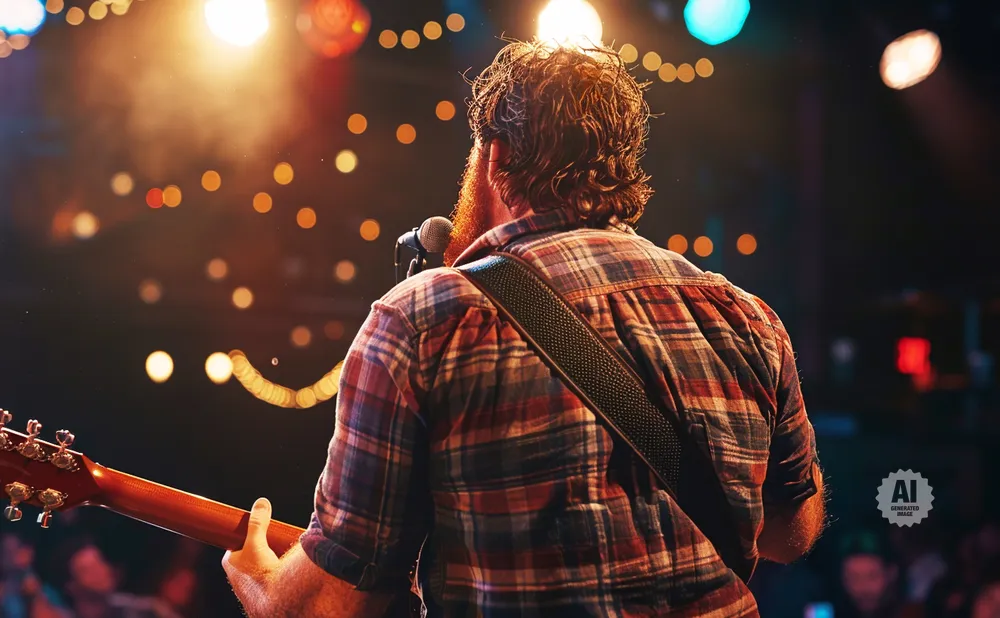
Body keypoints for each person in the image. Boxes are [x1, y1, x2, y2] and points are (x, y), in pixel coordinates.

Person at [223, 38, 826, 617]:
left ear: (495, 157)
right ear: (621, 165)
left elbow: (330, 605)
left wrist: (259, 579)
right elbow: (789, 533)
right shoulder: (745, 318)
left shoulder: (422, 321)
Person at [58, 539, 180, 618]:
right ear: (71, 586)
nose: (100, 571)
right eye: (88, 570)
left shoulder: (141, 609)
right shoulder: (62, 614)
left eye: (100, 562)